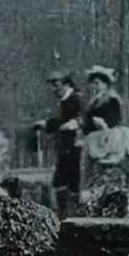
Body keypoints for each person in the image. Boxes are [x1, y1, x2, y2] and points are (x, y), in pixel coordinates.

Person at [80, 65, 129, 197]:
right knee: (86, 162)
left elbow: (114, 118)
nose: (94, 87)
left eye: (97, 83)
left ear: (106, 84)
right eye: (93, 84)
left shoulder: (112, 100)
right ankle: (88, 191)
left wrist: (103, 124)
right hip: (95, 139)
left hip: (112, 136)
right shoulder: (92, 103)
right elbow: (87, 124)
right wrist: (89, 124)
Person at [34, 69, 83, 218]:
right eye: (52, 85)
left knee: (70, 182)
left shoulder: (76, 99)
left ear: (67, 84)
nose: (54, 89)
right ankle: (66, 216)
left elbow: (82, 118)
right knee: (61, 182)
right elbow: (61, 121)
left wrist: (74, 123)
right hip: (65, 147)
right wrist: (48, 124)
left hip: (76, 147)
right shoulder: (64, 102)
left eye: (56, 85)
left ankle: (71, 216)